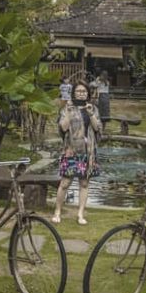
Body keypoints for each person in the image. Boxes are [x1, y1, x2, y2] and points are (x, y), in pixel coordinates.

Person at [52, 82, 102, 225]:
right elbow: (63, 127)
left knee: (84, 183)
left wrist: (91, 113)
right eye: (78, 91)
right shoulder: (67, 108)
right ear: (74, 93)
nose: (81, 93)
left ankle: (80, 214)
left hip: (88, 151)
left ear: (88, 93)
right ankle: (57, 211)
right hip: (71, 151)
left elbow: (98, 128)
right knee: (65, 182)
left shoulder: (92, 108)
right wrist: (68, 112)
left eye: (84, 91)